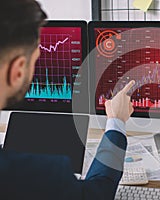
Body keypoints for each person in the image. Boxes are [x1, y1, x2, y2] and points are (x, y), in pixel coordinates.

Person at [0, 0, 135, 199]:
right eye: (35, 59)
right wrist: (116, 122)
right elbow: (96, 194)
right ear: (17, 70)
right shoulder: (32, 174)